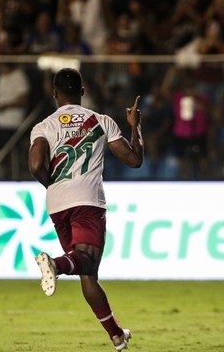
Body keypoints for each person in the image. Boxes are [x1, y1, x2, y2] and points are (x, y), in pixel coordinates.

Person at [28, 68, 143, 351]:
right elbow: (134, 160)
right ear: (82, 91)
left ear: (54, 94)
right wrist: (135, 125)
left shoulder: (43, 126)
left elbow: (34, 165)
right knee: (87, 262)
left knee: (87, 272)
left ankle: (117, 336)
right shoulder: (101, 120)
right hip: (88, 202)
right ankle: (55, 263)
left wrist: (53, 186)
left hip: (57, 204)